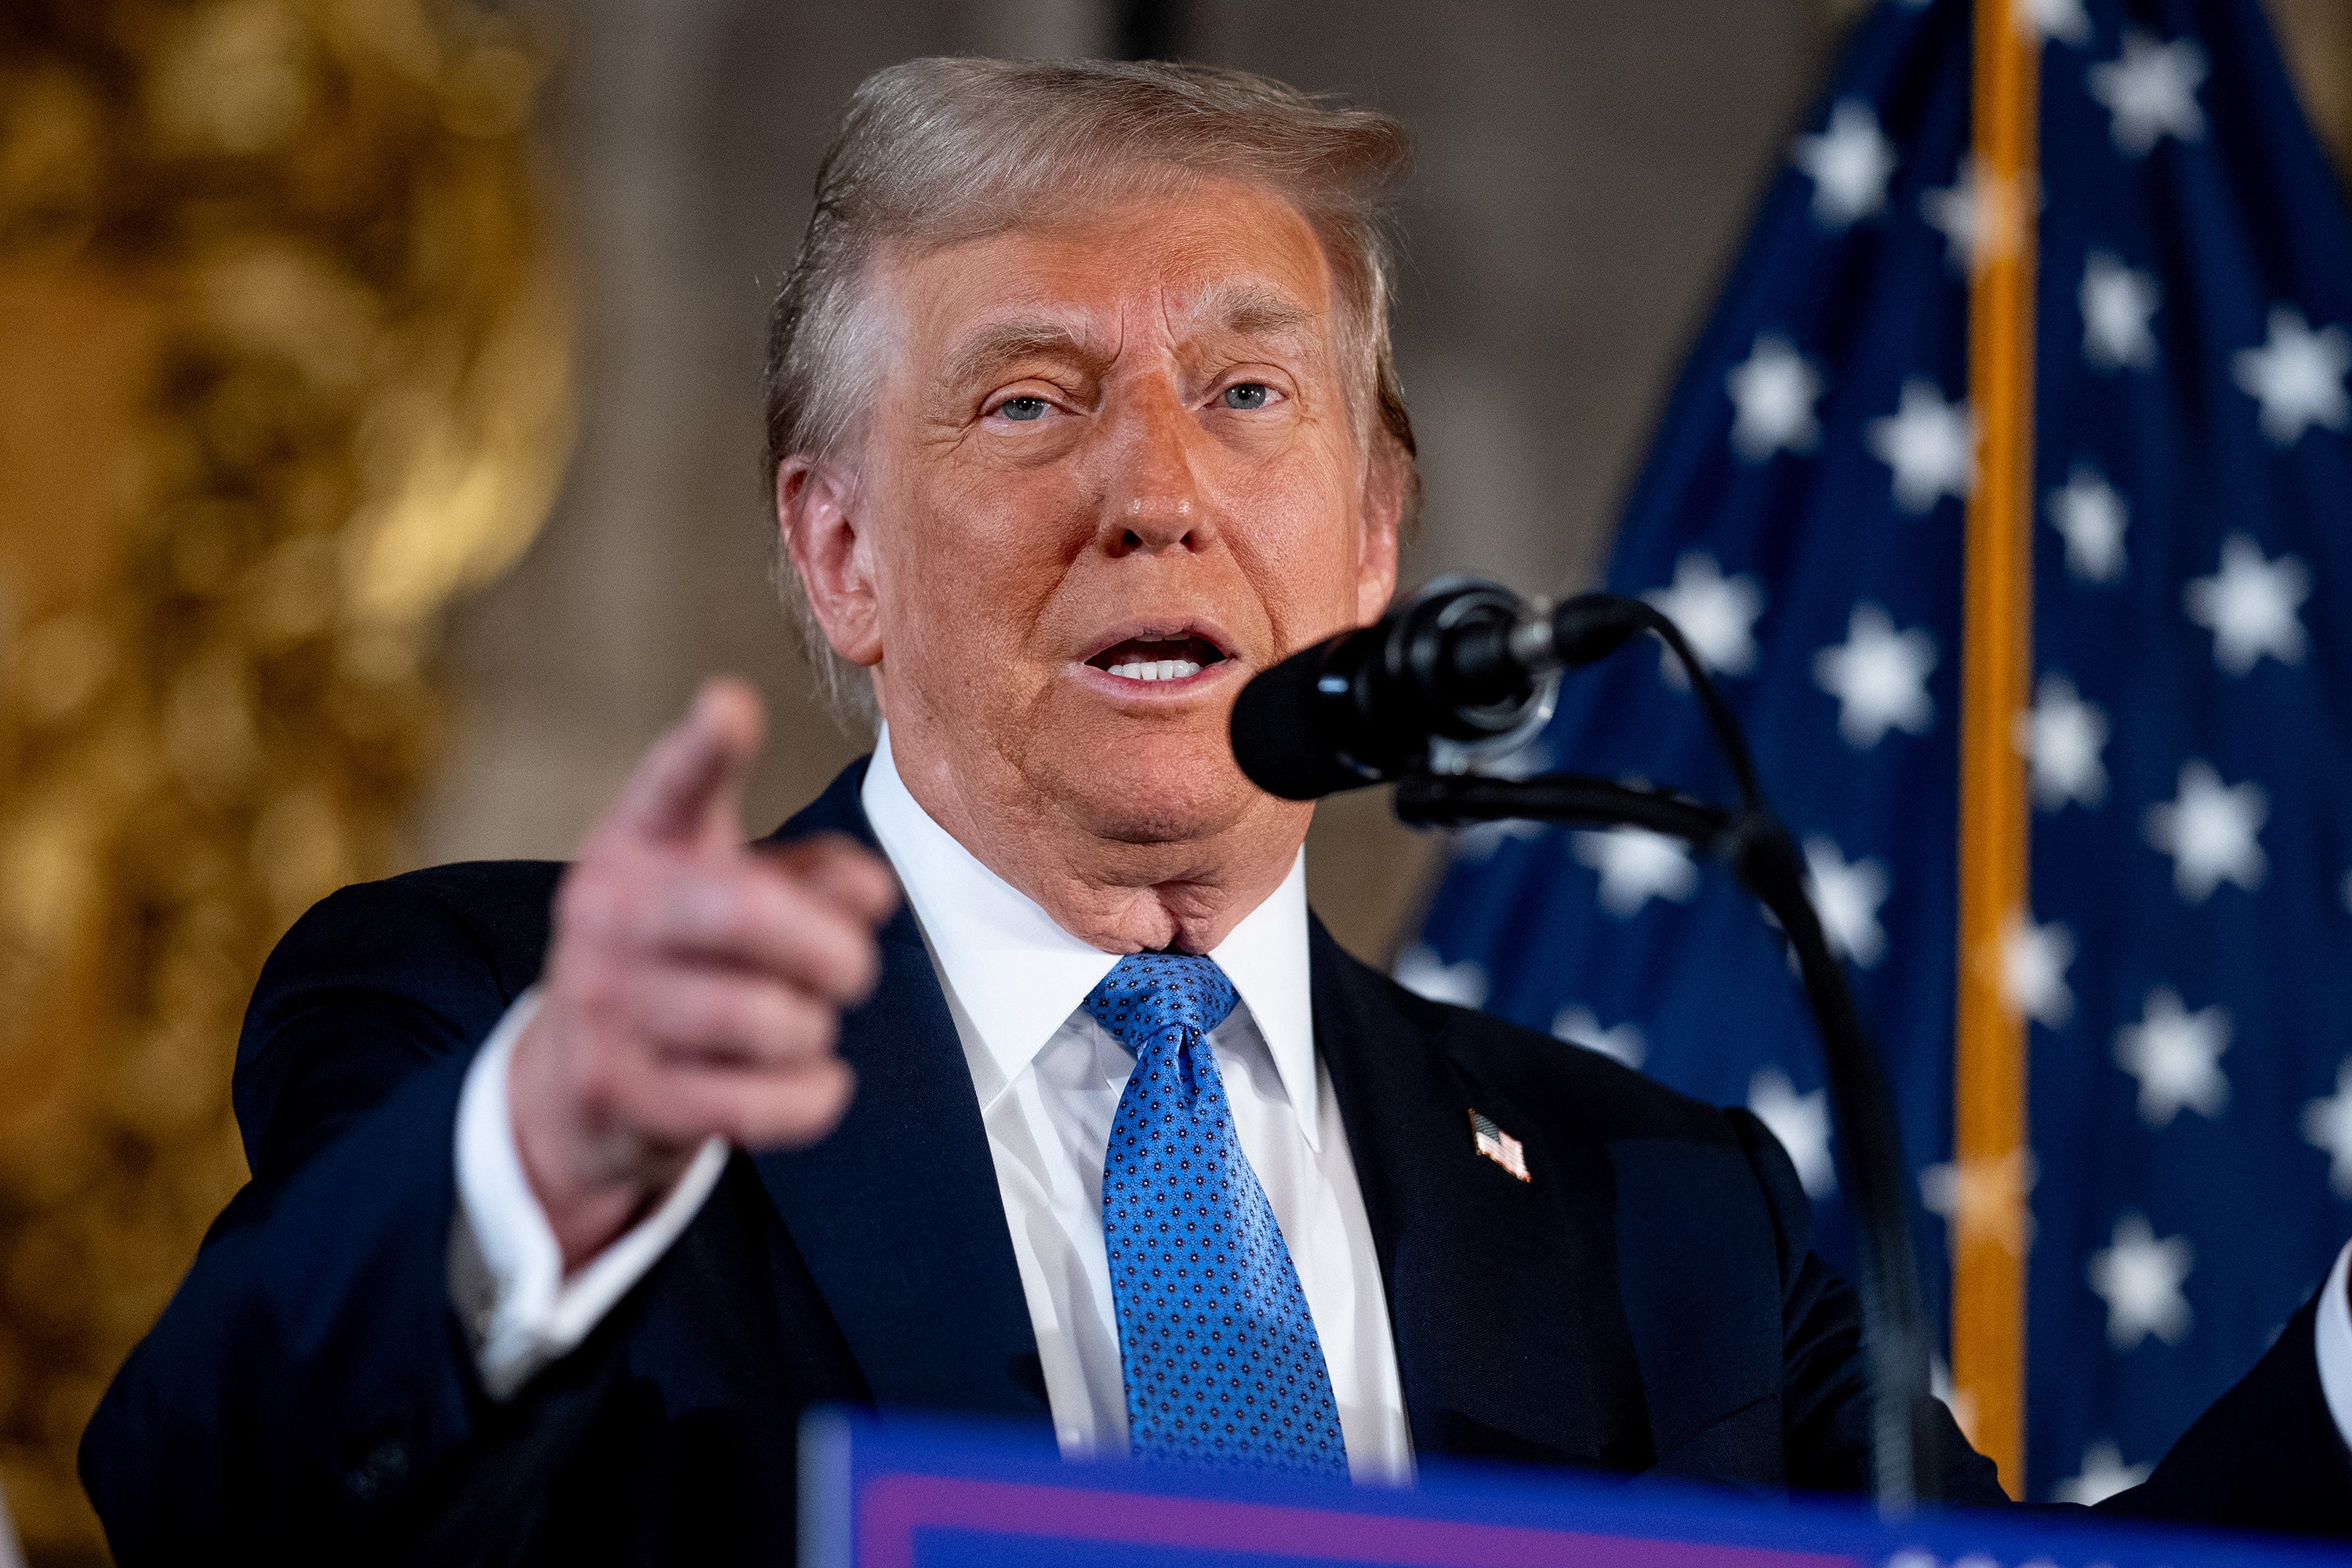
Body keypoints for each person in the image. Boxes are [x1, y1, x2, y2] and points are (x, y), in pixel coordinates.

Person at [79, 58, 2352, 1563]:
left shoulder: (1677, 1220)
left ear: (1373, 540)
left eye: (1245, 390)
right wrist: (542, 1159)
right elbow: (206, 1496)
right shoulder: (502, 1024)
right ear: (837, 553)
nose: (1154, 490)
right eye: (1030, 398)